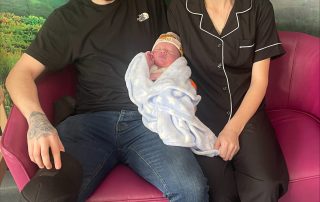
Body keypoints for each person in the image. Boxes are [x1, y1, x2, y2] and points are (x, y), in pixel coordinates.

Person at [5, 0, 209, 201]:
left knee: (192, 191)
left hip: (149, 121)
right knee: (48, 194)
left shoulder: (151, 5)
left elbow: (185, 44)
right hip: (89, 124)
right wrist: (37, 120)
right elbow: (19, 74)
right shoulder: (67, 18)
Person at [167, 0, 289, 201]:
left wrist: (233, 129)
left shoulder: (259, 7)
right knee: (219, 192)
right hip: (201, 115)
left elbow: (259, 81)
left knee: (266, 183)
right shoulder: (180, 8)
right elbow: (174, 68)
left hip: (246, 109)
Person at [125, 32, 219, 157]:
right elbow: (138, 81)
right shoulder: (147, 68)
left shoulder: (179, 72)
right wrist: (147, 67)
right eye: (159, 49)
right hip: (151, 110)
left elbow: (188, 89)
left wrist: (172, 84)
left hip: (173, 105)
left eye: (170, 51)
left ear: (178, 59)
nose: (163, 52)